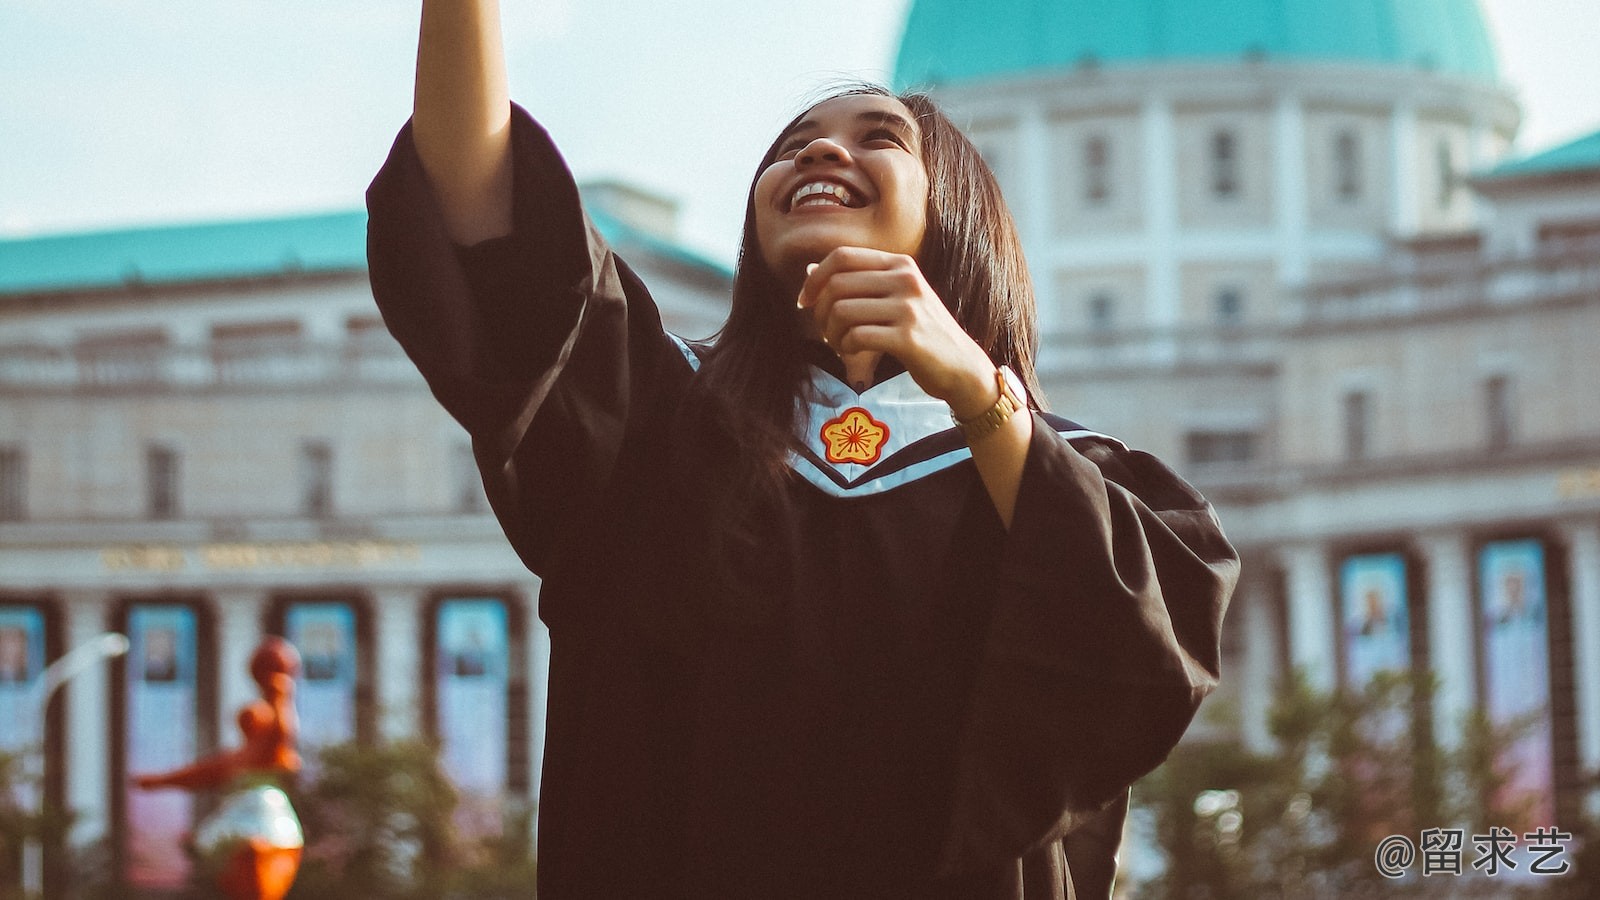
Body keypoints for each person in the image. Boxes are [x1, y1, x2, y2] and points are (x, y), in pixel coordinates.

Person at [366, 2, 1237, 897]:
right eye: (793, 143)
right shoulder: (651, 417)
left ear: (960, 217)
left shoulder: (1056, 474)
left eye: (879, 138)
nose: (819, 152)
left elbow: (1142, 654)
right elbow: (485, 210)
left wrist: (978, 392)